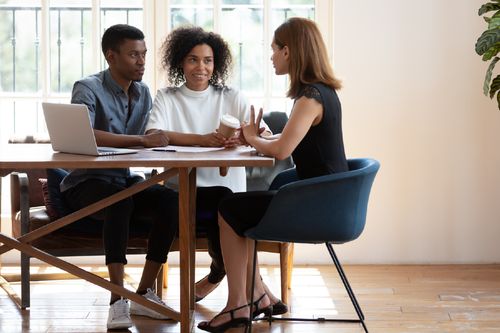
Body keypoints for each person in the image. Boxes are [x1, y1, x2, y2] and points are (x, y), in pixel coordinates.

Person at [197, 17, 348, 332]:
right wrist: (254, 139)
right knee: (239, 208)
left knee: (229, 208)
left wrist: (252, 138)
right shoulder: (322, 93)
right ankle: (255, 297)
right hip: (325, 199)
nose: (271, 57)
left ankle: (239, 304)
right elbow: (280, 144)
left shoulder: (311, 98)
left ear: (289, 52)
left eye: (274, 50)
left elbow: (281, 150)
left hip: (319, 205)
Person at [60, 24, 178, 330]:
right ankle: (117, 300)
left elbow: (152, 133)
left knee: (172, 201)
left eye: (144, 54)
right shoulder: (87, 87)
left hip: (122, 180)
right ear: (111, 57)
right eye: (133, 55)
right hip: (85, 183)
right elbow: (83, 133)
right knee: (120, 201)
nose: (141, 61)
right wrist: (140, 142)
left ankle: (143, 294)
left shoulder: (144, 92)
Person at [145, 26, 273, 302]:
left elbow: (266, 135)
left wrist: (243, 138)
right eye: (193, 59)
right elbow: (153, 136)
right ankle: (255, 292)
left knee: (226, 203)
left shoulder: (231, 96)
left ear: (216, 64)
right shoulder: (167, 97)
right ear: (180, 61)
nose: (201, 67)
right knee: (221, 204)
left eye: (207, 60)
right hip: (182, 193)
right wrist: (201, 140)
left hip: (228, 194)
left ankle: (237, 285)